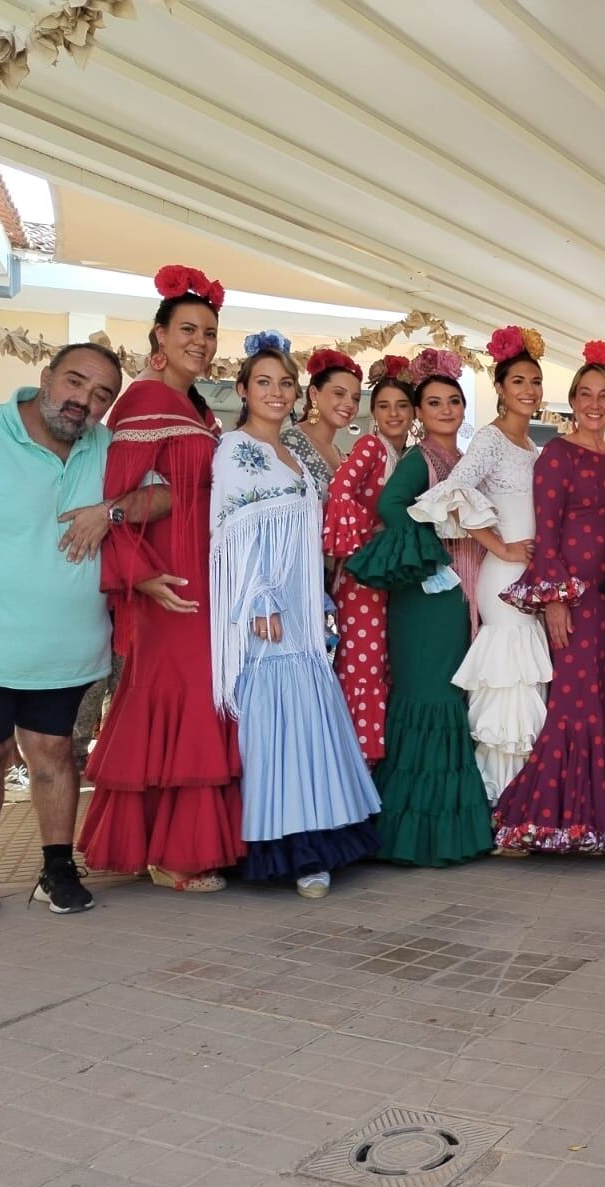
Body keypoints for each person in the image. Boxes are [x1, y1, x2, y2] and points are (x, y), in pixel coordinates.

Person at [0, 345, 123, 930]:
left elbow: (161, 494)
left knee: (55, 754)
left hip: (65, 649)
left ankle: (57, 872)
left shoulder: (106, 449)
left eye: (101, 395)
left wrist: (110, 509)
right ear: (43, 377)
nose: (83, 400)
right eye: (74, 381)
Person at [79, 265, 244, 893]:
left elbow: (184, 493)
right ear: (159, 334)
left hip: (203, 575)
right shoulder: (146, 399)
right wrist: (141, 576)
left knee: (195, 698)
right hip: (169, 579)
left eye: (208, 332)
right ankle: (175, 856)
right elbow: (117, 496)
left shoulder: (195, 406)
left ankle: (168, 845)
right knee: (179, 700)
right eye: (188, 330)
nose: (200, 341)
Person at [209, 347, 382, 898]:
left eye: (285, 382)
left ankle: (316, 843)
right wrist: (259, 598)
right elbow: (232, 533)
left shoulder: (290, 451)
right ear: (242, 389)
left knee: (307, 720)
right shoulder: (235, 450)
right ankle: (288, 847)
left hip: (304, 609)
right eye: (263, 383)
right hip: (264, 612)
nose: (276, 393)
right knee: (272, 722)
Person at [344, 351, 493, 866]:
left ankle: (441, 830)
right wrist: (430, 558)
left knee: (448, 697)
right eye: (434, 402)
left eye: (454, 400)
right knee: (431, 698)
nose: (446, 409)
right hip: (426, 594)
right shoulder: (419, 459)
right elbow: (389, 506)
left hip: (455, 594)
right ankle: (411, 834)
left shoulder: (462, 460)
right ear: (419, 413)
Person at [493, 341, 605, 853]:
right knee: (576, 705)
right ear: (572, 400)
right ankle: (554, 821)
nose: (596, 404)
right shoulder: (557, 453)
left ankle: (603, 819)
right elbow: (545, 534)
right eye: (586, 394)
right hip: (574, 598)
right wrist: (554, 598)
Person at [412, 325, 551, 803]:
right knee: (509, 681)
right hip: (505, 576)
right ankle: (500, 800)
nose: (528, 390)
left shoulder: (533, 447)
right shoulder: (489, 441)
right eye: (518, 382)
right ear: (499, 388)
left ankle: (520, 797)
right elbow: (453, 493)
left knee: (527, 680)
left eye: (534, 381)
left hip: (530, 579)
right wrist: (500, 546)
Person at [323, 357, 414, 765]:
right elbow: (339, 493)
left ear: (413, 412)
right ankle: (356, 763)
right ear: (373, 413)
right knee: (364, 667)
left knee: (382, 667)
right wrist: (375, 532)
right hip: (363, 577)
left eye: (401, 405)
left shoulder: (406, 455)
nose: (393, 413)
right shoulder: (370, 446)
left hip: (389, 579)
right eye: (384, 406)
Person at [282, 348, 362, 499]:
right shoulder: (289, 443)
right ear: (314, 394)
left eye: (356, 398)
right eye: (339, 393)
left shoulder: (341, 455)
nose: (349, 403)